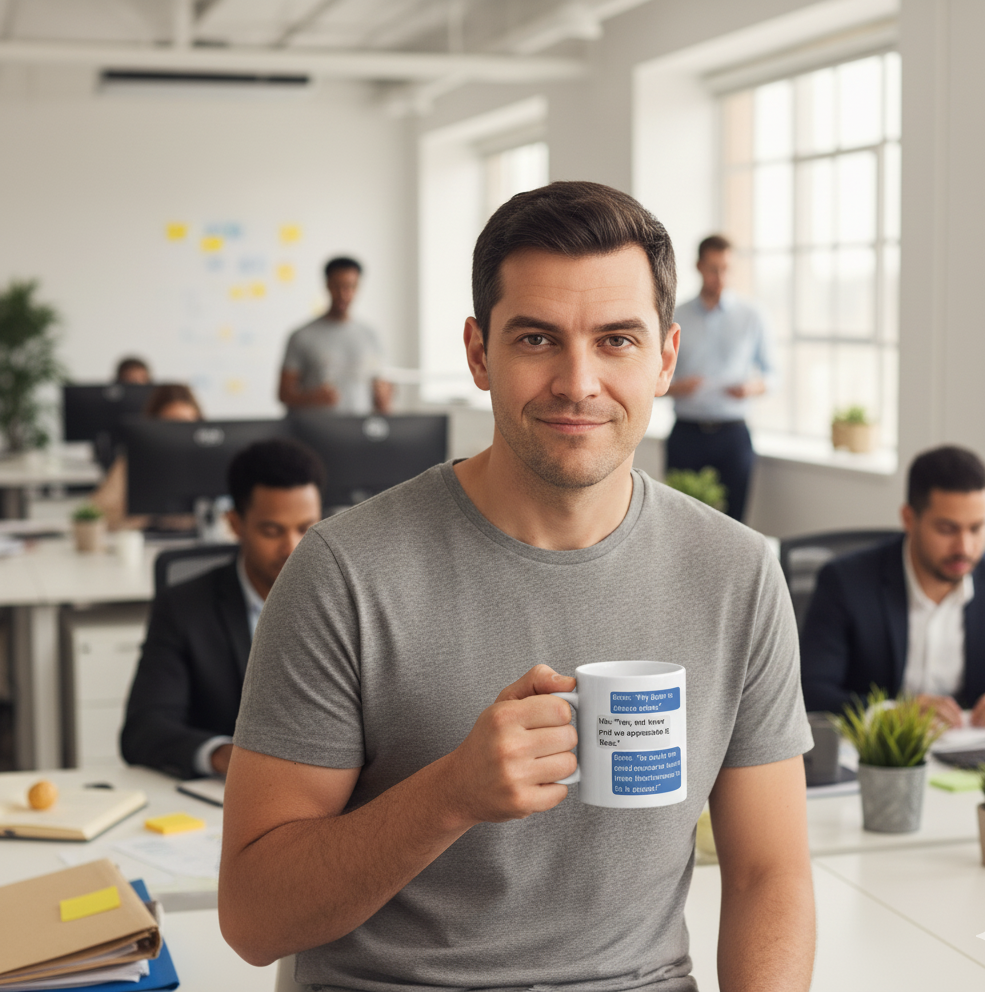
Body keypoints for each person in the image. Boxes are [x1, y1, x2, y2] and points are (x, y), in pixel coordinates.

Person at [219, 182, 815, 992]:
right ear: (478, 353)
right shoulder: (341, 571)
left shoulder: (739, 573)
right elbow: (255, 920)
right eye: (537, 338)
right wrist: (449, 796)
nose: (578, 381)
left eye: (616, 340)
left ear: (667, 357)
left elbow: (766, 875)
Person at [121, 438, 325, 780]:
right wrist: (223, 755)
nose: (292, 547)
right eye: (272, 531)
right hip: (228, 803)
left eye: (306, 528)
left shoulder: (350, 604)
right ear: (235, 524)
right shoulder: (183, 607)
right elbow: (144, 729)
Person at [800, 445, 985, 728]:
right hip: (876, 755)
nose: (965, 547)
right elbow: (811, 691)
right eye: (947, 529)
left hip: (964, 749)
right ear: (909, 519)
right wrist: (892, 714)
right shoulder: (844, 581)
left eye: (976, 528)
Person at [665, 234, 775, 522]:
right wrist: (677, 387)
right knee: (679, 520)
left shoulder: (752, 316)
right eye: (713, 268)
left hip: (733, 434)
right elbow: (653, 376)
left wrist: (751, 388)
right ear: (699, 266)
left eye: (726, 268)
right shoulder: (677, 316)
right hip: (686, 434)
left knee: (735, 523)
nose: (720, 276)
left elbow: (772, 374)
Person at [278, 256, 393, 415]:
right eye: (337, 286)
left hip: (360, 432)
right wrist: (312, 398)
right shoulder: (301, 336)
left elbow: (382, 392)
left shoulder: (371, 335)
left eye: (350, 287)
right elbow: (283, 394)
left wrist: (385, 400)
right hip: (315, 432)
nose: (344, 294)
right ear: (327, 285)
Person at [92, 383, 203, 531]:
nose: (179, 434)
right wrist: (145, 515)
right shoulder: (133, 460)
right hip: (146, 543)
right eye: (171, 425)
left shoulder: (211, 460)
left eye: (186, 424)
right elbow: (97, 514)